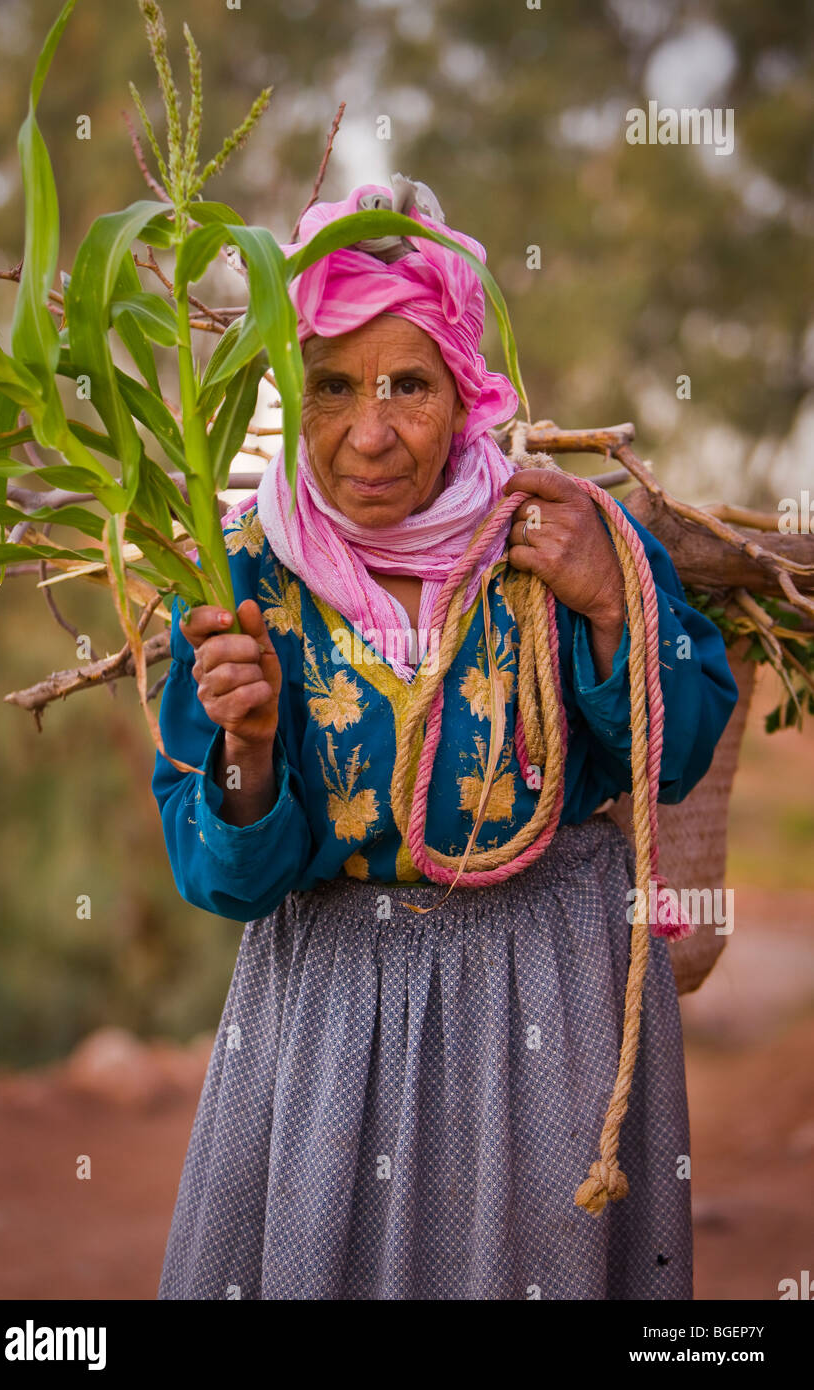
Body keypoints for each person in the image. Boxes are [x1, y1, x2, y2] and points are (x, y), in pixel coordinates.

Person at [152, 176, 739, 1300]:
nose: (368, 434)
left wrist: (613, 608)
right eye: (331, 387)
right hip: (329, 1014)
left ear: (467, 393)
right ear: (291, 391)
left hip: (548, 991)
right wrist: (253, 747)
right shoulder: (240, 582)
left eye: (408, 385)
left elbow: (678, 755)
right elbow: (221, 878)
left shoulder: (561, 533)